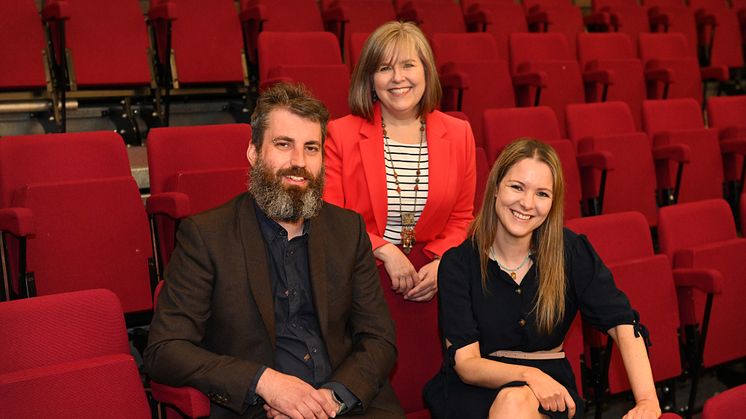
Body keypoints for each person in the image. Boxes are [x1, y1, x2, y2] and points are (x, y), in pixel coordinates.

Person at [144, 83, 404, 419]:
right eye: (284, 145)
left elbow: (379, 338)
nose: (299, 162)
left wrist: (331, 399)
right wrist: (265, 383)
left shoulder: (348, 230)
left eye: (311, 148)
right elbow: (165, 350)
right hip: (260, 409)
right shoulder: (206, 236)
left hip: (345, 405)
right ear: (254, 153)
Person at [425, 139, 661, 419]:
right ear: (496, 188)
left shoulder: (571, 252)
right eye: (517, 187)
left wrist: (647, 400)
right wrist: (530, 376)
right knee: (514, 400)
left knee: (515, 402)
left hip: (553, 391)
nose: (527, 203)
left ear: (553, 203)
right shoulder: (458, 264)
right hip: (475, 390)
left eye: (542, 194)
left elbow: (622, 323)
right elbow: (466, 364)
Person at [324, 21, 476, 302]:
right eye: (384, 68)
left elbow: (462, 218)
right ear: (370, 79)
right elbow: (331, 217)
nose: (398, 77)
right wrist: (384, 250)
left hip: (433, 278)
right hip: (361, 273)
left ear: (426, 71)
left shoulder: (459, 134)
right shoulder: (340, 133)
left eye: (408, 65)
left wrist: (444, 262)